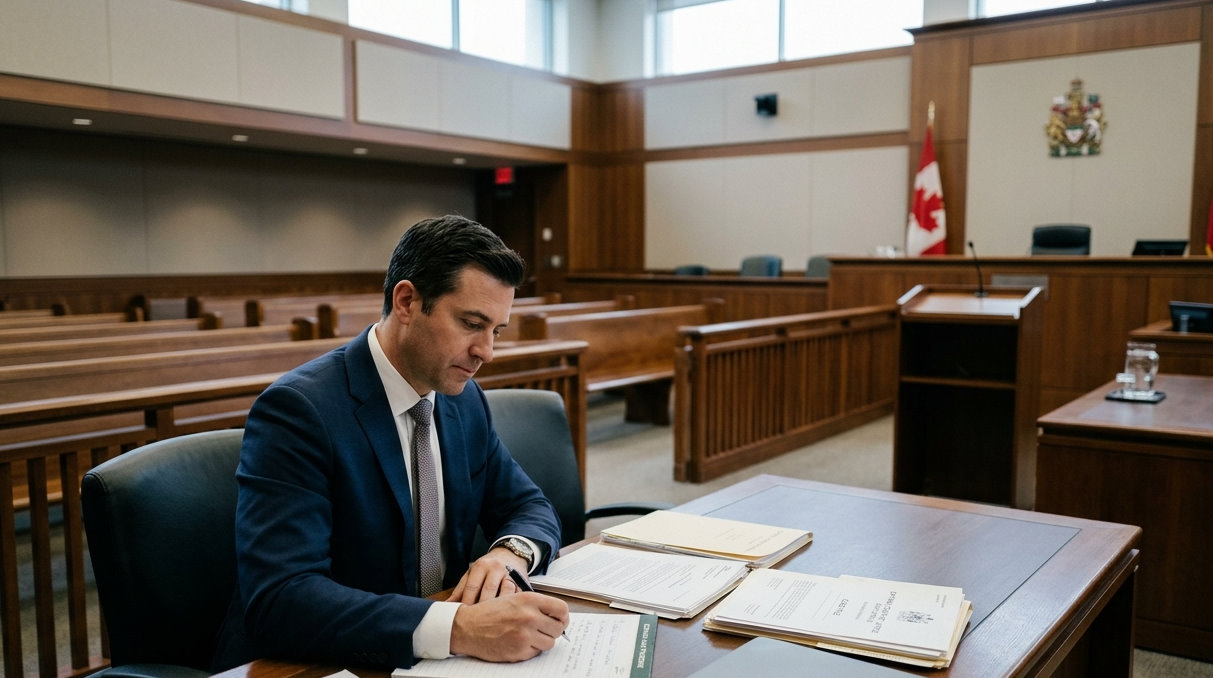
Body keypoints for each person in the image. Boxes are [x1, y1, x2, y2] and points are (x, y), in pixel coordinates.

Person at [212, 215, 569, 672]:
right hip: (320, 663)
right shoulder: (299, 411)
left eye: (495, 331)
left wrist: (509, 554)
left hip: (441, 661)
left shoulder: (462, 400)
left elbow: (529, 505)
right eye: (471, 324)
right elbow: (282, 598)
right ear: (406, 301)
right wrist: (457, 627)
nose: (486, 352)